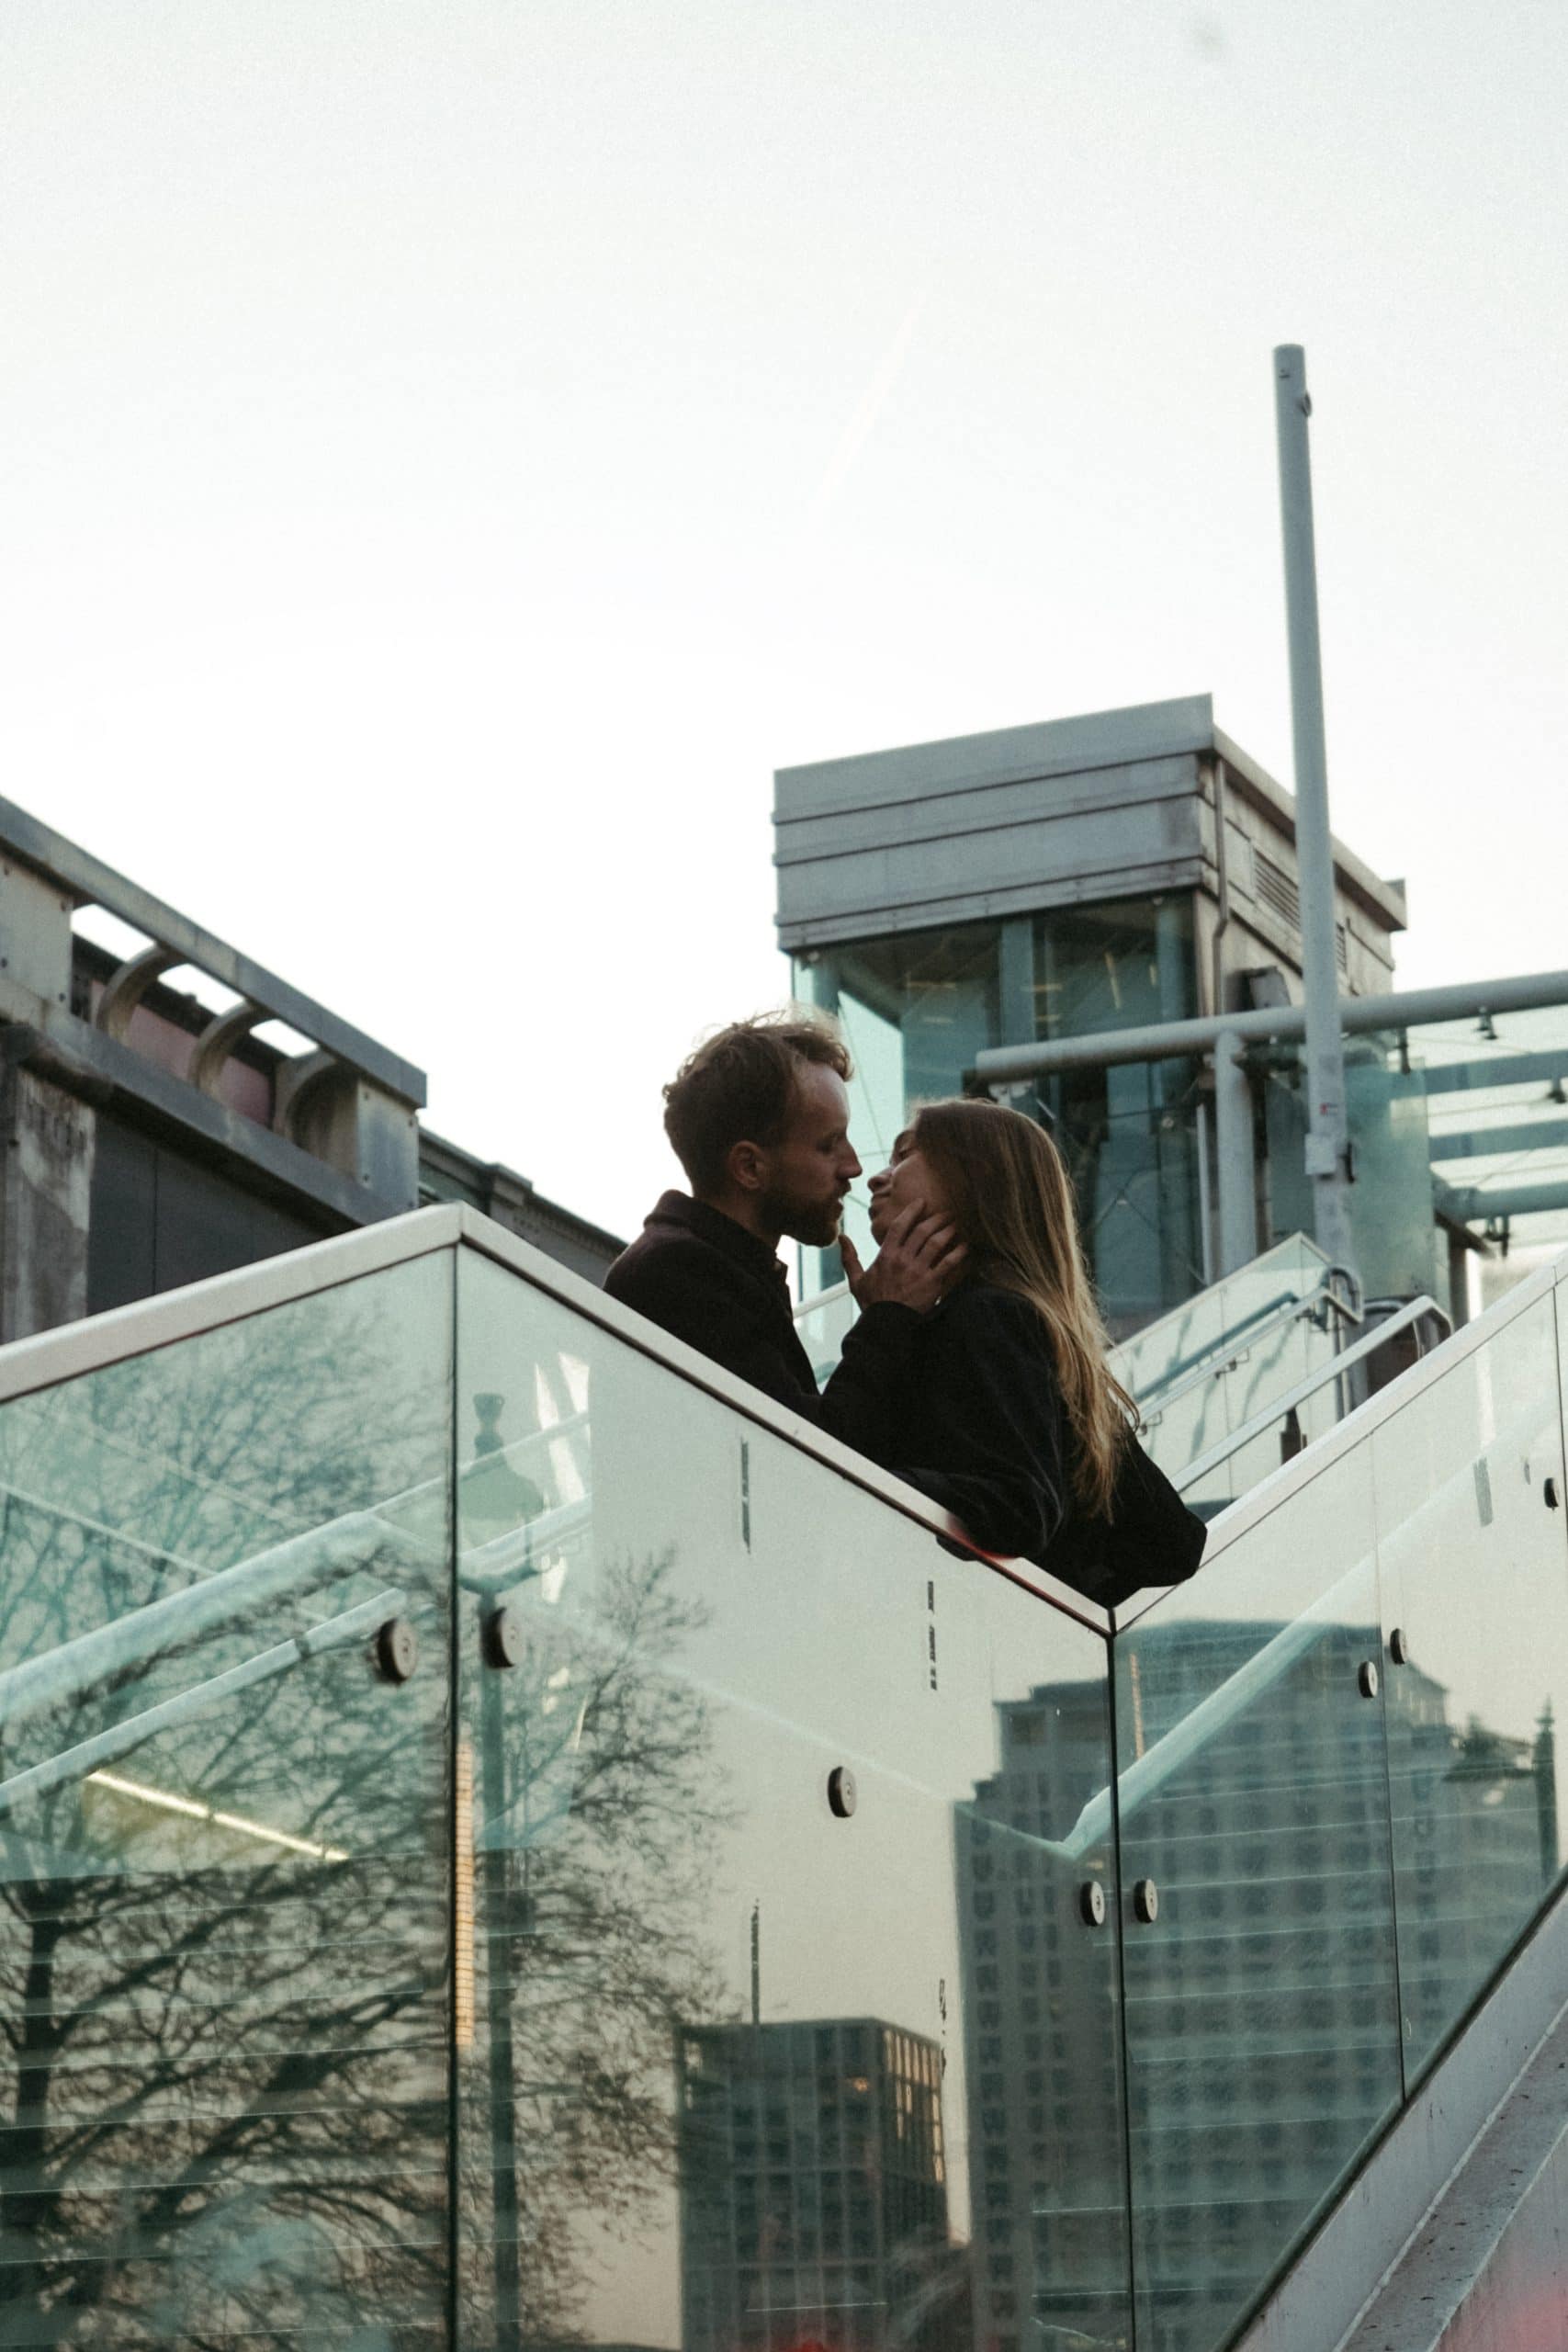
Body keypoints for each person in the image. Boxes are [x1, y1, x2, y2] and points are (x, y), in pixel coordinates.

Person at [863, 1096, 1206, 1602]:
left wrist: (862, 1484)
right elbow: (1172, 1541)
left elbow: (1019, 1505)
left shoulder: (986, 1317)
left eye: (905, 1155)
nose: (877, 1178)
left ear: (976, 1181)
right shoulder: (1036, 1331)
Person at [604, 1013, 965, 1453]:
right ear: (750, 1167)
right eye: (828, 1145)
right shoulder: (678, 1273)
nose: (853, 1167)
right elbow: (811, 1457)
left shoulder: (715, 1268)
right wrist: (889, 1319)